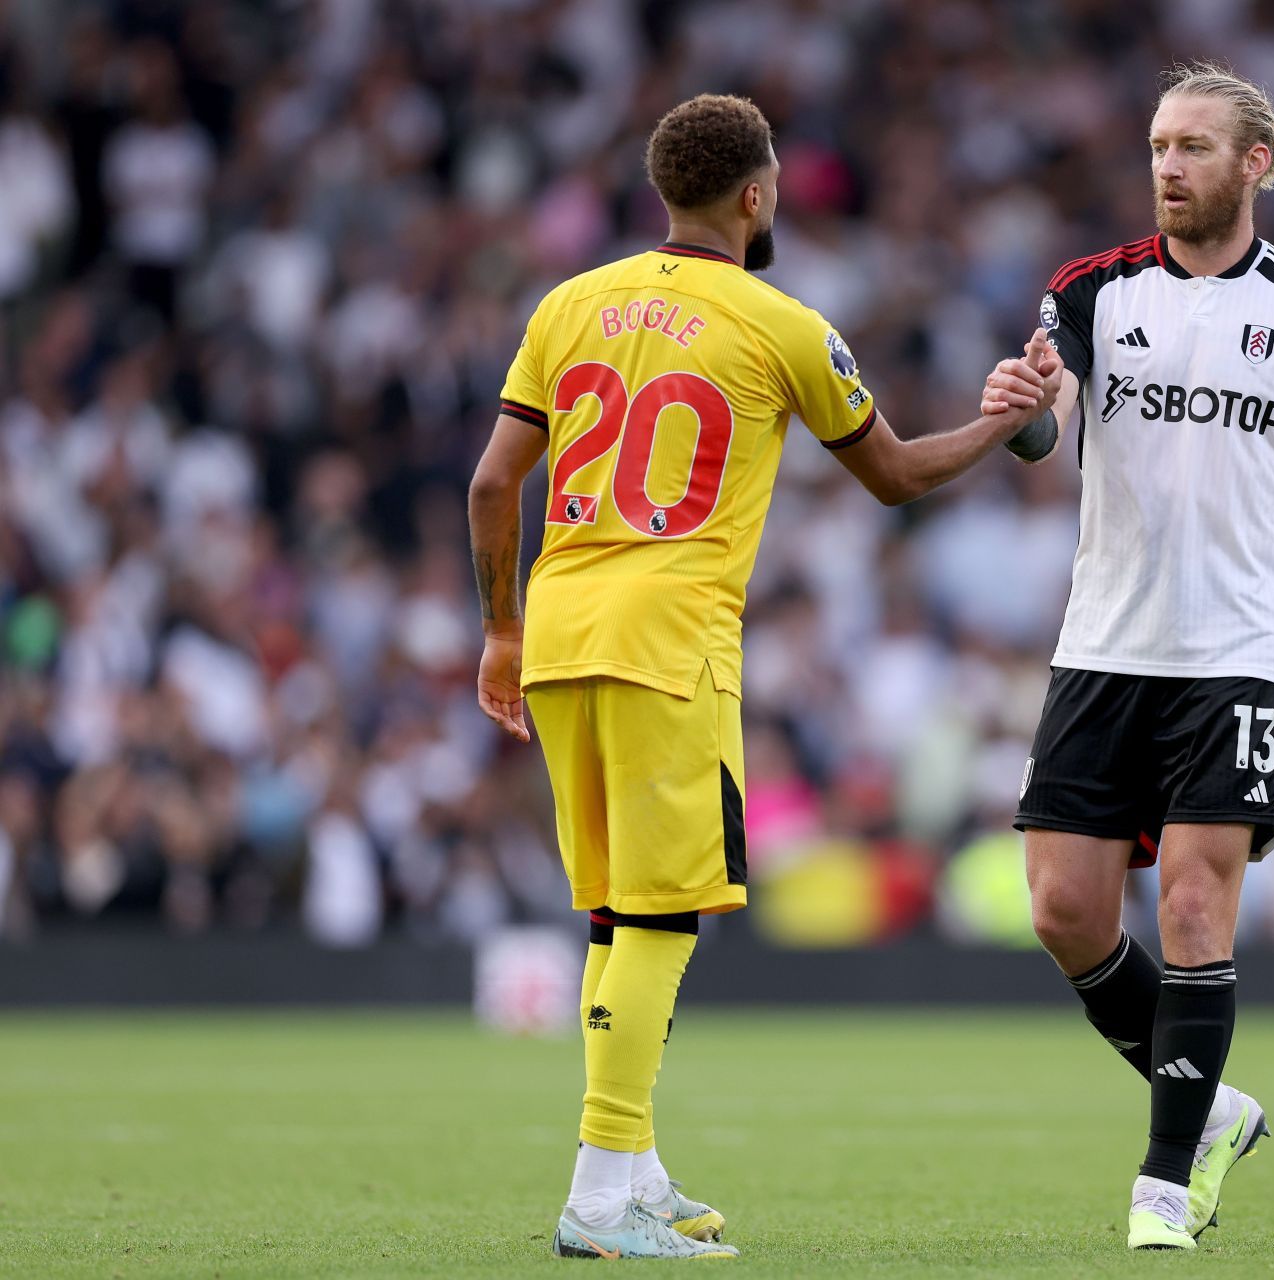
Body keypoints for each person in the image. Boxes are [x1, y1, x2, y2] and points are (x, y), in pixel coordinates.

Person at [467, 94, 1061, 1262]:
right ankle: (599, 1191)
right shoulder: (782, 322)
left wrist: (498, 632)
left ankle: (633, 1167)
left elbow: (494, 487)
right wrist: (1002, 424)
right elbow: (890, 475)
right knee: (659, 913)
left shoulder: (568, 303)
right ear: (756, 194)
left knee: (611, 911)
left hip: (560, 630)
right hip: (668, 641)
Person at [981, 62, 1274, 1252]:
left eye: (1192, 148)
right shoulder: (1095, 291)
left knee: (1193, 904)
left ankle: (1165, 1183)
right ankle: (1210, 1105)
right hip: (1102, 647)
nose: (1167, 167)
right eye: (1157, 146)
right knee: (1066, 910)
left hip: (1232, 652)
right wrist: (1020, 407)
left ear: (1255, 161)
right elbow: (1042, 418)